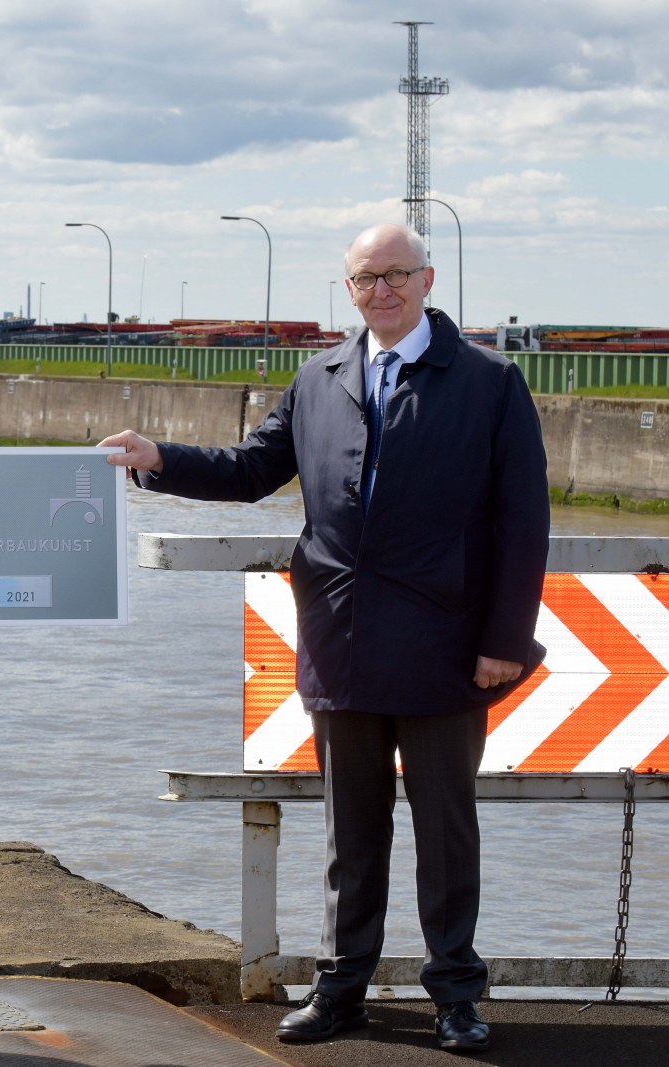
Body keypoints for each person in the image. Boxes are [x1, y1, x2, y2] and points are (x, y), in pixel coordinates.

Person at [100, 223, 548, 1054]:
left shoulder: (489, 381)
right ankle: (343, 987)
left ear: (427, 278)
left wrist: (505, 640)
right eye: (364, 278)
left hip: (450, 644)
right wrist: (156, 456)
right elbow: (247, 471)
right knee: (352, 830)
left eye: (396, 275)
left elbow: (525, 522)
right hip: (341, 638)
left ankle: (455, 993)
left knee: (446, 831)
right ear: (348, 290)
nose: (382, 290)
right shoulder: (321, 377)